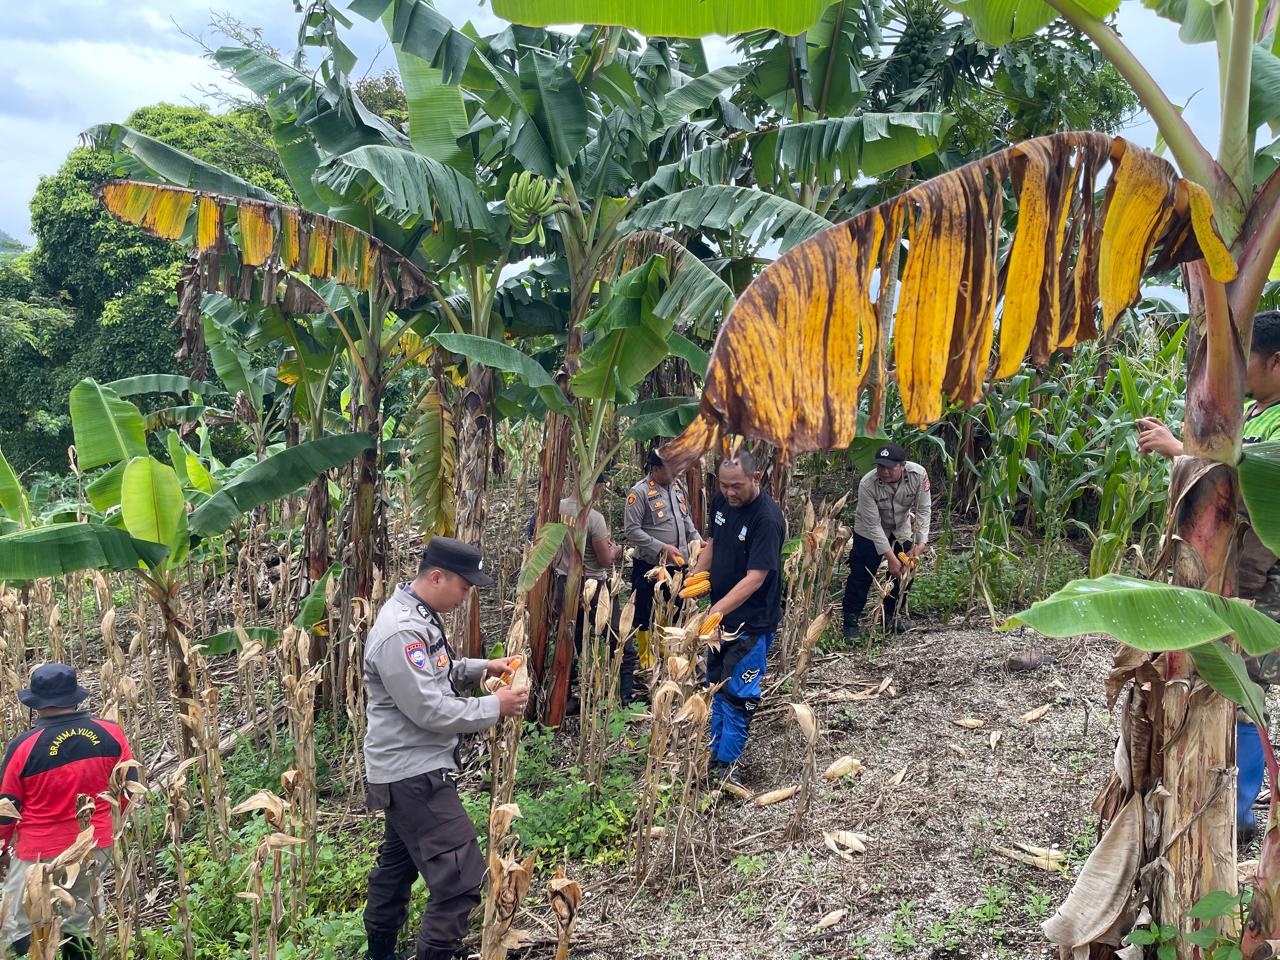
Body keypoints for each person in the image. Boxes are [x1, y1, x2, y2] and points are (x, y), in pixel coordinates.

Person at [1136, 310, 1280, 842]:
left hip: (1261, 580)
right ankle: (1202, 789)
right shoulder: (1248, 411)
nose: (1237, 374)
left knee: (1246, 689)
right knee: (1212, 682)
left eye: (1248, 362)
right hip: (1222, 574)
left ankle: (1238, 811)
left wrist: (1181, 450)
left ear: (1277, 361)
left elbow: (1249, 473)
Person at [362, 536, 528, 960]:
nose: (466, 596)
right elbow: (429, 709)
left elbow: (434, 672)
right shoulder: (401, 631)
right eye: (464, 587)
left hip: (406, 770)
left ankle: (379, 954)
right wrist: (495, 706)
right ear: (437, 577)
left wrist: (481, 668)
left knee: (396, 870)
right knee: (460, 879)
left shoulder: (418, 616)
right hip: (413, 774)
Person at [0, 663, 138, 959]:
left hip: (38, 854)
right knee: (81, 918)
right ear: (75, 697)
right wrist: (108, 826)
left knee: (20, 922)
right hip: (95, 844)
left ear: (36, 704)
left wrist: (1, 848)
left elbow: (6, 807)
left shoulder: (23, 746)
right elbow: (128, 789)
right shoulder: (111, 733)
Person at [687, 452, 785, 787]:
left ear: (756, 478)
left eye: (737, 486)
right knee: (715, 686)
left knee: (738, 695)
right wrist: (694, 576)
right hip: (720, 621)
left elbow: (755, 578)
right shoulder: (721, 501)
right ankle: (716, 751)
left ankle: (726, 765)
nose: (729, 492)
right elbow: (714, 544)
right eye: (724, 485)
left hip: (751, 623)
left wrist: (716, 610)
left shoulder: (766, 520)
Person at [552, 480, 639, 706]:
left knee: (570, 640)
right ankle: (626, 697)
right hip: (594, 586)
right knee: (620, 639)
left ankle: (566, 699)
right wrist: (616, 551)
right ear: (596, 486)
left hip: (564, 584)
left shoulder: (557, 508)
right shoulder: (594, 518)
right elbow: (604, 560)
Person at [841, 443, 932, 640]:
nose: (884, 471)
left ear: (902, 466)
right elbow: (874, 526)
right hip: (869, 531)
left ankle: (892, 616)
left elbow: (924, 510)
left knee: (904, 571)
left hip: (900, 528)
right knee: (861, 574)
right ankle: (850, 622)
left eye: (890, 467)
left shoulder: (918, 475)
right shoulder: (867, 484)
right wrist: (890, 558)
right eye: (880, 466)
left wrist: (920, 543)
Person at [623, 450, 703, 670]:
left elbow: (686, 519)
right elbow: (631, 530)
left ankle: (666, 651)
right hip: (649, 565)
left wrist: (696, 539)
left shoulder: (677, 487)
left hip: (677, 564)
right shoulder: (639, 493)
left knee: (675, 607)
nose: (675, 473)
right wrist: (661, 547)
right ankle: (646, 660)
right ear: (655, 469)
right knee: (645, 611)